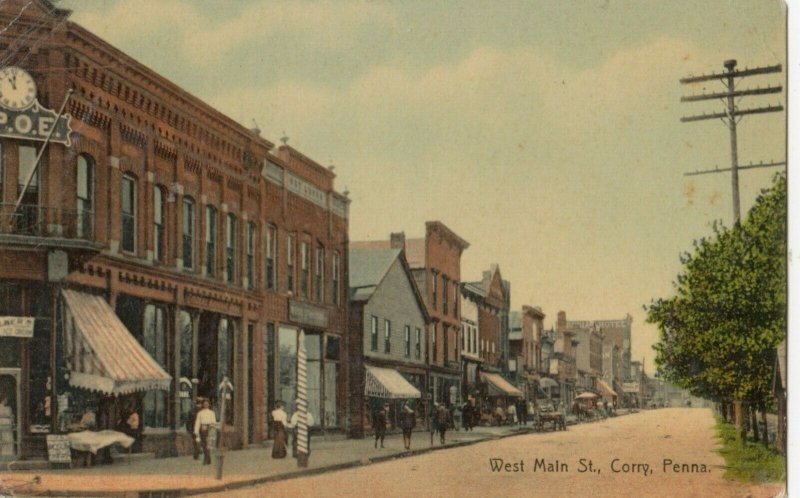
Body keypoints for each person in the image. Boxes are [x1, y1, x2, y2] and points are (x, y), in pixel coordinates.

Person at [193, 398, 217, 465]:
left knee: (208, 445)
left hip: (210, 429)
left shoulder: (212, 413)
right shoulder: (200, 413)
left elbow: (214, 422)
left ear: (209, 404)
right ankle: (208, 459)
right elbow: (197, 422)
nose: (206, 405)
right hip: (203, 430)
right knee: (204, 445)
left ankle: (206, 460)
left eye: (207, 404)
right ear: (203, 405)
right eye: (204, 404)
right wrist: (196, 431)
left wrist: (211, 427)